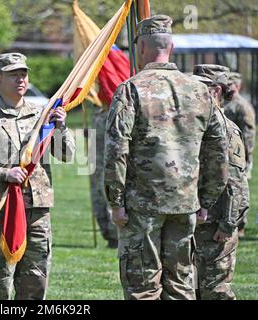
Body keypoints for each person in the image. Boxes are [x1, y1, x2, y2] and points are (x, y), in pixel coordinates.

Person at [104, 15, 229, 300]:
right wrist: (207, 200)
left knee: (143, 288)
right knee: (181, 286)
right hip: (186, 204)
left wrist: (115, 201)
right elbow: (218, 150)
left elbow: (116, 149)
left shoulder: (131, 89)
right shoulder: (200, 90)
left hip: (142, 205)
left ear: (142, 47)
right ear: (170, 46)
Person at [0, 52, 75, 300]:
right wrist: (3, 173)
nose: (21, 79)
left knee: (35, 279)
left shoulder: (41, 114)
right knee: (0, 281)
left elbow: (66, 154)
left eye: (24, 73)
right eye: (13, 75)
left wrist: (61, 127)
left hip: (36, 211)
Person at [192, 64, 249, 300]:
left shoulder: (227, 130)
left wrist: (227, 225)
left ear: (215, 91)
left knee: (216, 291)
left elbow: (237, 184)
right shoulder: (199, 124)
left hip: (216, 226)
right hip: (197, 223)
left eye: (200, 88)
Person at [223, 71, 255, 237]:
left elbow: (248, 133)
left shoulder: (241, 106)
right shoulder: (225, 103)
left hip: (238, 156)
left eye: (231, 84)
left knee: (239, 190)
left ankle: (240, 225)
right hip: (225, 156)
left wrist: (247, 157)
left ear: (238, 86)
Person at [90, 105, 119, 248]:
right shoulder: (97, 112)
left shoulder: (114, 112)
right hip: (94, 161)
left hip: (109, 162)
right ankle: (107, 233)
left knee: (109, 194)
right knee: (97, 198)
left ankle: (115, 236)